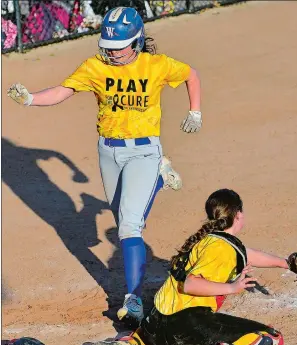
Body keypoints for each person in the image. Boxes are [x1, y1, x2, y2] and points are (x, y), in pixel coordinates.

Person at [7, 6, 202, 326]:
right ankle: (159, 179)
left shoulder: (156, 66)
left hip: (143, 151)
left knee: (128, 226)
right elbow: (63, 91)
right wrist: (31, 99)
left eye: (117, 48)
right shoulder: (95, 67)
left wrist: (195, 112)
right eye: (107, 48)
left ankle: (134, 299)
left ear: (136, 43)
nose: (110, 53)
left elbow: (190, 75)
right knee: (124, 216)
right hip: (108, 152)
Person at [88, 188, 288, 345]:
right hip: (187, 327)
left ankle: (131, 344)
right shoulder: (222, 248)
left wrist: (286, 263)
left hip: (153, 327)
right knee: (271, 337)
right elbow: (191, 284)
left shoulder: (204, 240)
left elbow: (248, 254)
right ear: (238, 215)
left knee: (157, 336)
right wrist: (232, 287)